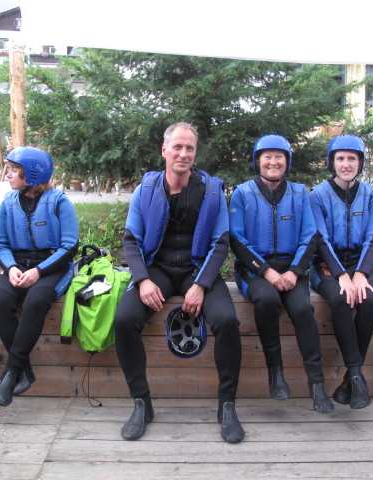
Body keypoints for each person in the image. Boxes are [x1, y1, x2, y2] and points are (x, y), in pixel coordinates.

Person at [114, 122, 244, 443]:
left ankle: (227, 405)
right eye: (177, 147)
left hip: (195, 270)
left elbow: (221, 242)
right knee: (124, 319)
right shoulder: (146, 190)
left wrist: (200, 284)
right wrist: (142, 280)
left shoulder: (212, 192)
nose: (183, 154)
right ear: (164, 151)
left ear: (195, 153)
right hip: (156, 270)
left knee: (227, 321)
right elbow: (131, 240)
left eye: (189, 148)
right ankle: (142, 404)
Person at [229, 134, 334, 414]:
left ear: (287, 161)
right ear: (258, 161)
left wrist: (295, 271)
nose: (273, 162)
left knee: (302, 309)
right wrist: (266, 272)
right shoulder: (242, 193)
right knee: (267, 301)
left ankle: (317, 384)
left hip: (292, 268)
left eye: (279, 156)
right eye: (267, 156)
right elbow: (237, 240)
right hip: (255, 271)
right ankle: (275, 371)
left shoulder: (300, 193)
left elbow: (309, 235)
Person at [0, 146, 79, 407]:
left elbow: (69, 246)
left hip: (53, 266)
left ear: (32, 174)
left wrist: (39, 271)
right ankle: (24, 370)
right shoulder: (8, 202)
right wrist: (11, 267)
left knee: (35, 302)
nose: (8, 175)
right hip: (17, 265)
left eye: (14, 170)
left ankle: (10, 372)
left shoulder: (58, 201)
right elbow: (1, 242)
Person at [308, 135, 373, 409]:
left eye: (352, 158)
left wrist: (361, 272)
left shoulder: (370, 195)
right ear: (332, 162)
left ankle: (352, 377)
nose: (346, 164)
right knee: (341, 298)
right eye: (340, 158)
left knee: (370, 300)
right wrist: (342, 275)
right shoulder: (318, 195)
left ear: (360, 163)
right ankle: (358, 376)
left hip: (358, 263)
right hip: (327, 263)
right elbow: (320, 239)